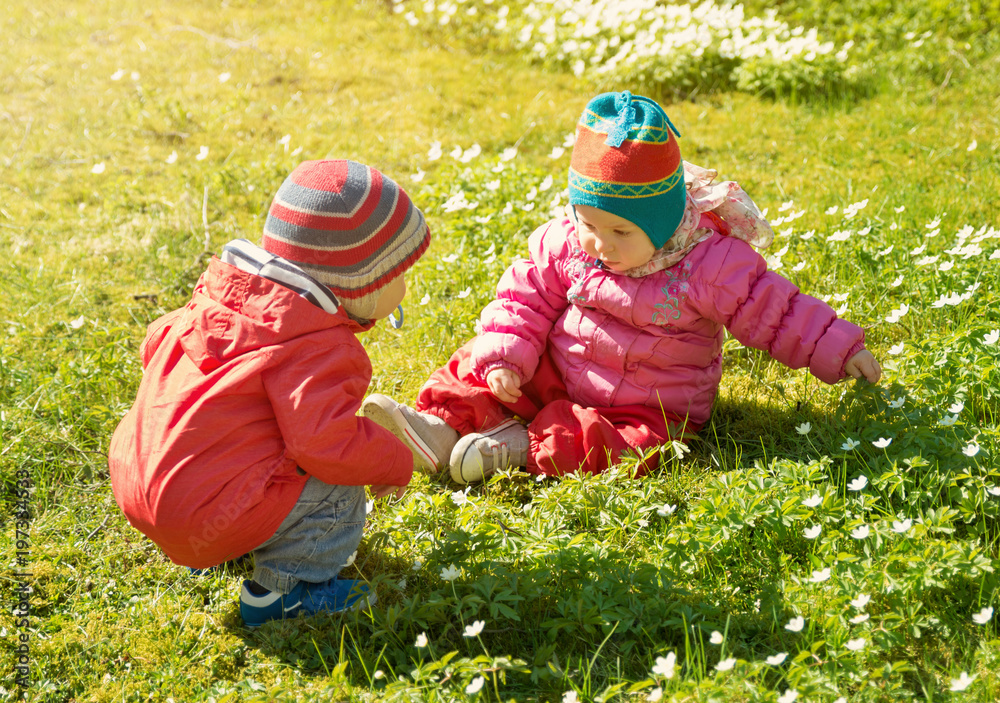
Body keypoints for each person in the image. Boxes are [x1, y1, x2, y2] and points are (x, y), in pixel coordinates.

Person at [363, 90, 882, 485]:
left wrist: (839, 349)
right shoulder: (571, 242)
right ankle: (437, 428)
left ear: (659, 223)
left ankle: (516, 447)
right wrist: (507, 357)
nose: (599, 243)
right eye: (587, 221)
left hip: (648, 404)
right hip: (564, 373)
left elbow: (777, 311)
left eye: (620, 232)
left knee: (625, 445)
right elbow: (522, 297)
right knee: (480, 359)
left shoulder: (708, 263)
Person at [108, 159, 432, 627]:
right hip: (203, 515)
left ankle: (228, 532)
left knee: (262, 441)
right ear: (360, 284)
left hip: (139, 485)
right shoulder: (317, 346)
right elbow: (325, 444)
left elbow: (155, 343)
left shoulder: (223, 298)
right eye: (398, 275)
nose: (405, 286)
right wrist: (392, 459)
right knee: (337, 482)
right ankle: (285, 589)